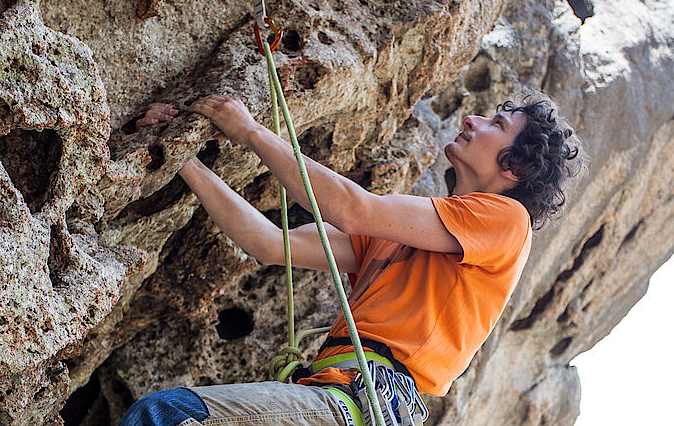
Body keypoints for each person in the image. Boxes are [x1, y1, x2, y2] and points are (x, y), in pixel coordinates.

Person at [119, 92, 581, 426]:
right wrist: (182, 159)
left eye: (496, 125)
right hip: (337, 397)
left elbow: (353, 208)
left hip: (356, 404)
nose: (474, 119)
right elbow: (267, 243)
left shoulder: (507, 220)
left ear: (514, 168)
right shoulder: (404, 239)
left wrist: (251, 132)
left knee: (165, 415)